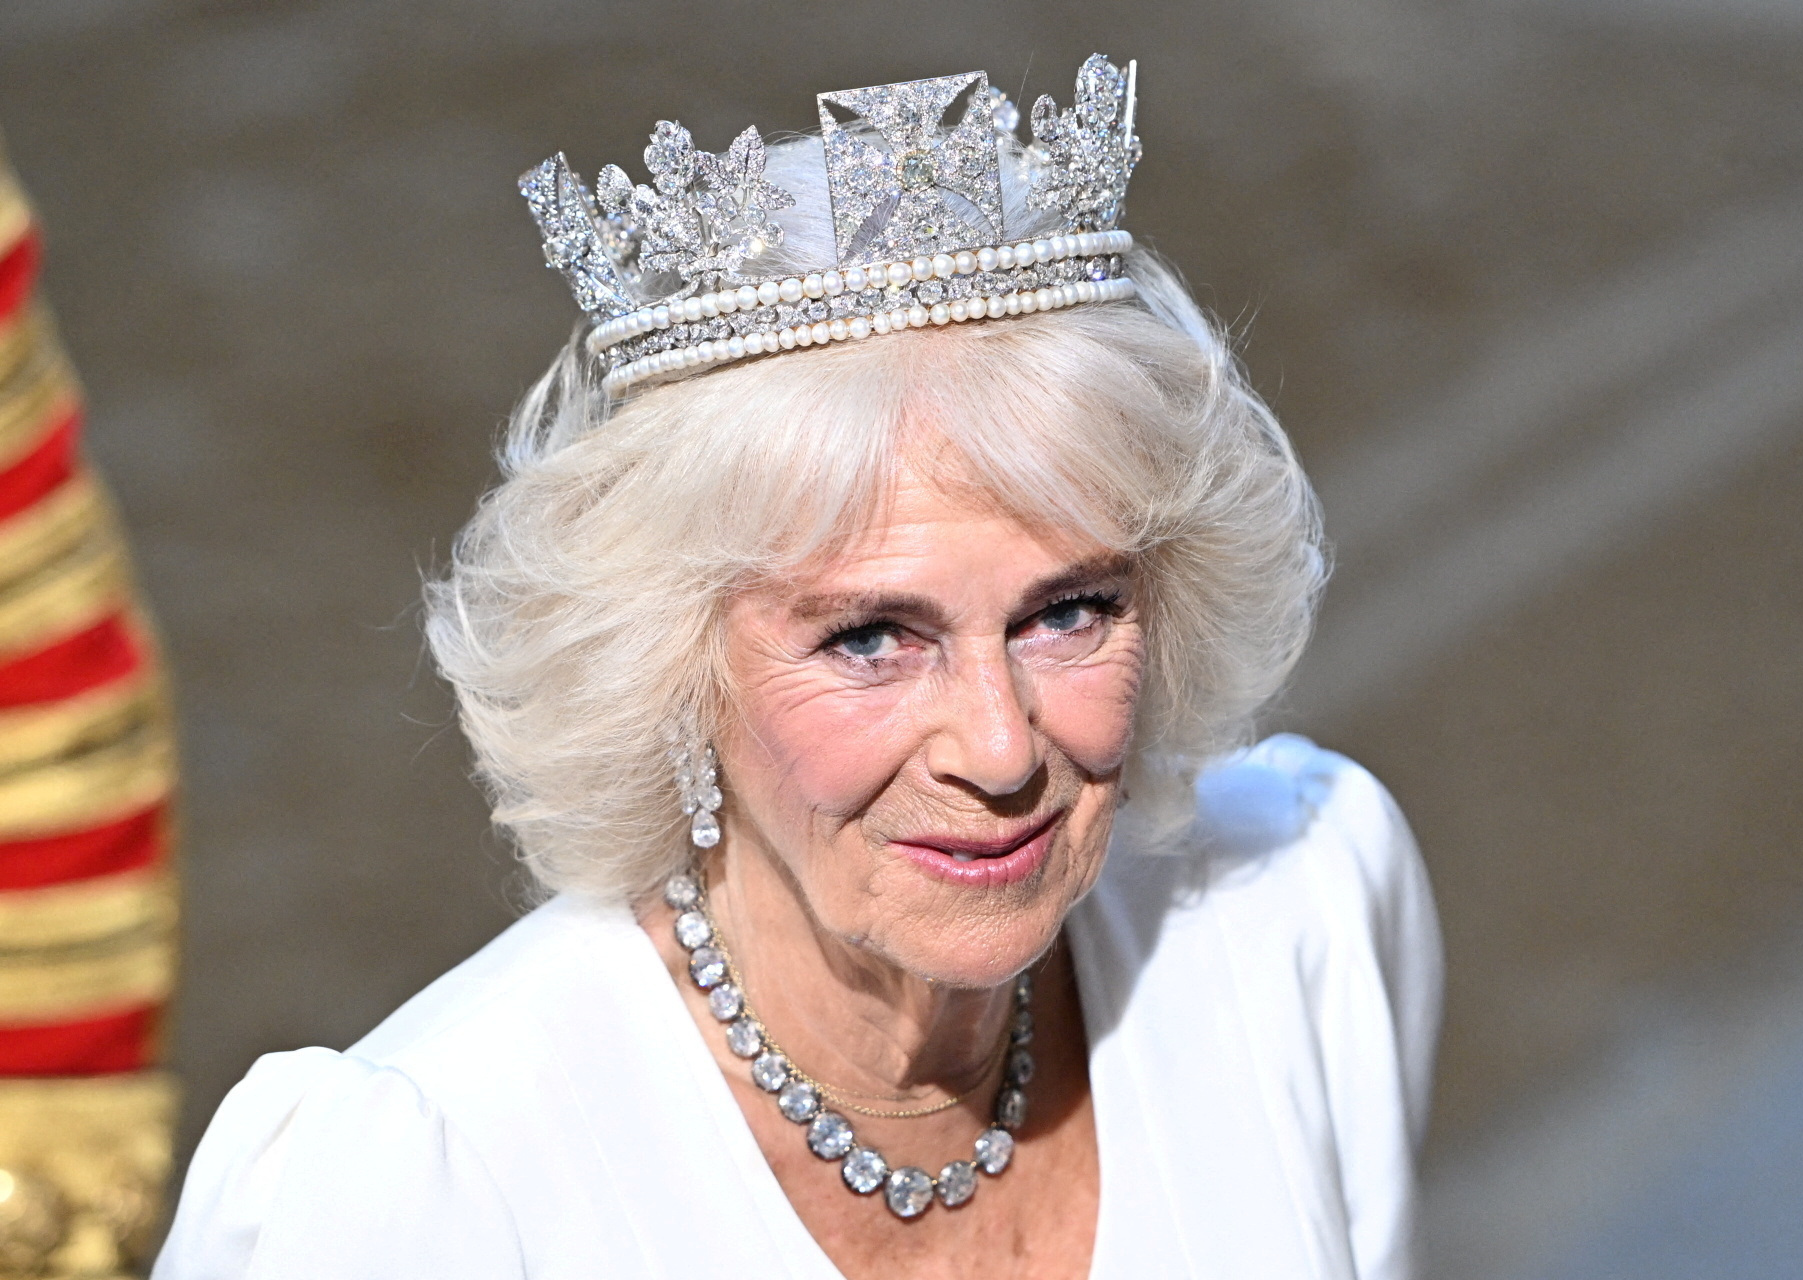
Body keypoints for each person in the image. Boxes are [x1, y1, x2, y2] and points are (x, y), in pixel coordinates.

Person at [155, 55, 1441, 1280]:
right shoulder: (417, 1189)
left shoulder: (1292, 917)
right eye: (871, 637)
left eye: (1070, 612)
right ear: (670, 671)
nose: (998, 748)